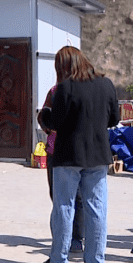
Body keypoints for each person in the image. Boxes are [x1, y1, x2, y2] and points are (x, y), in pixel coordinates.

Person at [38, 46, 119, 263]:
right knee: (97, 208)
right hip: (98, 155)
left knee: (64, 206)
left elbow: (55, 122)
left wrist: (44, 114)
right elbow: (114, 119)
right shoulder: (106, 84)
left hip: (68, 155)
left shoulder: (64, 88)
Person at [37, 69, 84, 251]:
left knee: (75, 198)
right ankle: (63, 237)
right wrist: (50, 129)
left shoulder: (80, 92)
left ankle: (75, 238)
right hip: (56, 150)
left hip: (73, 152)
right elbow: (43, 116)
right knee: (60, 197)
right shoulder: (54, 91)